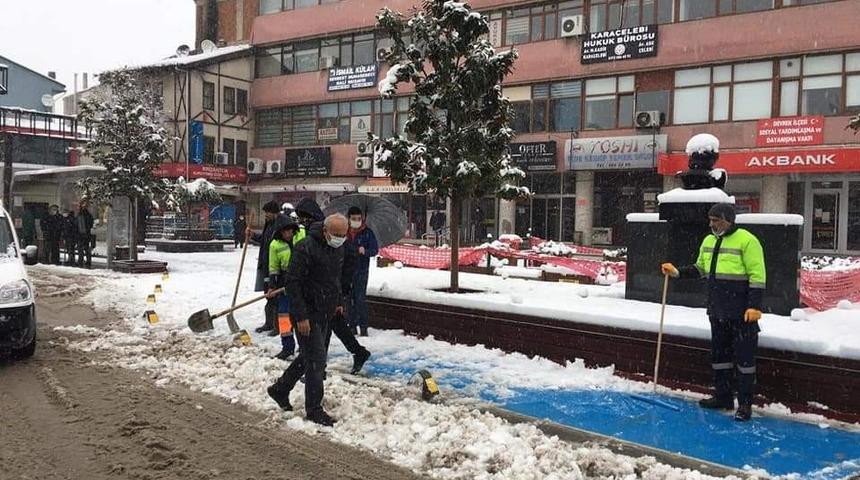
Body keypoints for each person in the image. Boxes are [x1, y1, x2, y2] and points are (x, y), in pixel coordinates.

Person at [661, 203, 766, 422]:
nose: (711, 224)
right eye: (710, 220)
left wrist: (754, 306)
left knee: (745, 361)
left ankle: (745, 405)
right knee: (720, 357)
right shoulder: (708, 241)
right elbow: (701, 268)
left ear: (729, 220)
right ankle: (723, 397)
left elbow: (757, 276)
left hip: (742, 313)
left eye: (716, 220)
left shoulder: (748, 240)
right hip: (717, 310)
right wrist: (678, 272)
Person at [267, 213, 354, 426]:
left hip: (326, 310)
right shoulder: (305, 248)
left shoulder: (337, 248)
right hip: (306, 313)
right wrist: (301, 316)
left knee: (309, 355)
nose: (340, 238)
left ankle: (280, 389)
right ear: (325, 231)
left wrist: (339, 300)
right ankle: (314, 409)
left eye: (343, 235)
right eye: (336, 235)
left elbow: (335, 279)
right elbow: (293, 285)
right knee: (317, 360)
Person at [295, 198, 371, 372]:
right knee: (335, 325)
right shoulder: (313, 233)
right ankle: (358, 352)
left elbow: (341, 268)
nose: (301, 222)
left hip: (330, 289)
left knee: (325, 328)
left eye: (303, 218)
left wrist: (340, 295)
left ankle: (318, 369)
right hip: (322, 289)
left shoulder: (330, 232)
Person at [267, 213, 303, 360]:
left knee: (302, 316)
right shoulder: (275, 245)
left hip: (302, 282)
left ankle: (305, 346)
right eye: (284, 231)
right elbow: (274, 268)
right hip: (284, 283)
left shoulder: (301, 236)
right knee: (284, 318)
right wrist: (272, 286)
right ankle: (287, 347)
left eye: (290, 230)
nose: (288, 233)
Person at [250, 201, 282, 335]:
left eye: (267, 213)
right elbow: (265, 240)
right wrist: (252, 235)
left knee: (275, 297)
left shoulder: (280, 225)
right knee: (268, 296)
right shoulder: (269, 224)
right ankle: (269, 323)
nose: (265, 215)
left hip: (276, 267)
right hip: (266, 265)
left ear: (274, 212)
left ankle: (278, 326)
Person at [347, 206, 378, 337]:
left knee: (360, 300)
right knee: (349, 300)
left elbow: (374, 249)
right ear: (348, 219)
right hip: (347, 271)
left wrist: (364, 251)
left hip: (361, 271)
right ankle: (352, 325)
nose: (356, 221)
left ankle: (363, 327)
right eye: (354, 219)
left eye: (359, 219)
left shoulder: (367, 233)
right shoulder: (344, 232)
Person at [75, 202, 94, 268]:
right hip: (85, 235)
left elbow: (77, 225)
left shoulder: (80, 215)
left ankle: (81, 260)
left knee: (81, 249)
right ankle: (87, 261)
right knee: (85, 249)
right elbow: (90, 225)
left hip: (81, 235)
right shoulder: (88, 215)